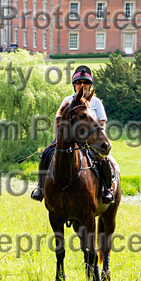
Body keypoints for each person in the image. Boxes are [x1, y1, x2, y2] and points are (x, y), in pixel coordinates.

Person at [30, 65, 115, 204]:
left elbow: (101, 123)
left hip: (90, 140)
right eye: (79, 83)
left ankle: (107, 190)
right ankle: (40, 188)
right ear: (74, 85)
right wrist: (58, 139)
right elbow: (58, 121)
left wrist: (97, 138)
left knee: (104, 160)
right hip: (67, 140)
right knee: (46, 154)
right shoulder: (67, 101)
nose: (83, 85)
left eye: (86, 83)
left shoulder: (96, 102)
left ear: (90, 85)